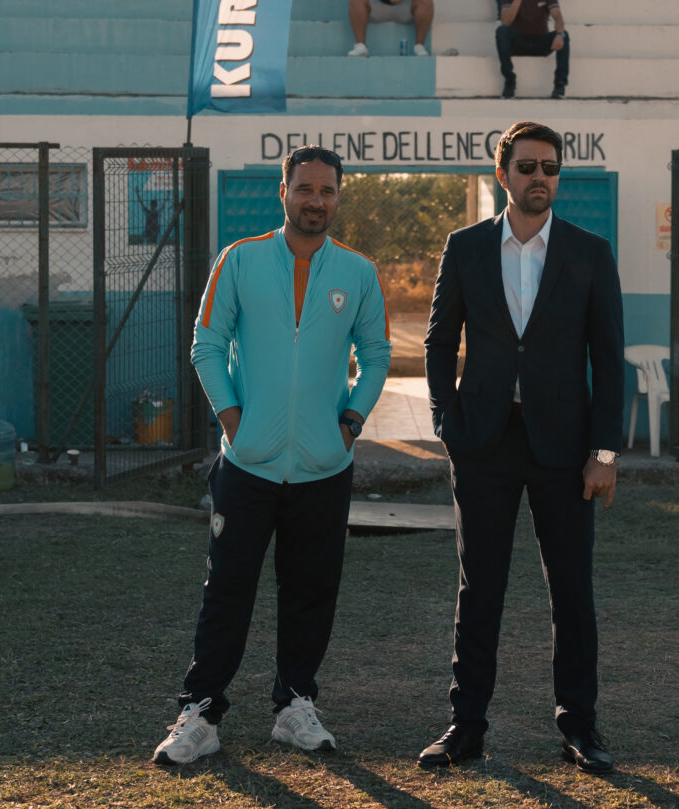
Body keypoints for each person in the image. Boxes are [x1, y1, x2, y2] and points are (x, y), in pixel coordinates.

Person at [153, 145, 391, 765]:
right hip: (248, 465)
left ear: (338, 197)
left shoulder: (358, 272)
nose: (316, 201)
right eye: (304, 188)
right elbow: (207, 344)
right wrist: (235, 421)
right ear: (282, 191)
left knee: (311, 591)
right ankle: (201, 713)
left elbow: (376, 355)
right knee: (227, 590)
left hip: (324, 468)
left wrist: (350, 423)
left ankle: (295, 706)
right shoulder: (240, 259)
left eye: (327, 191)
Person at [419, 121, 623, 773]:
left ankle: (580, 728)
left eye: (551, 168)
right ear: (501, 173)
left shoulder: (590, 251)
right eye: (528, 166)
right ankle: (465, 727)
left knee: (572, 592)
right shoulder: (466, 247)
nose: (541, 177)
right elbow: (438, 341)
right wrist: (446, 421)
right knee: (479, 588)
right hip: (483, 442)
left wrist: (605, 452)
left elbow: (608, 359)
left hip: (565, 448)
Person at [496, 0, 569, 98]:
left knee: (564, 35)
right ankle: (509, 80)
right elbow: (505, 22)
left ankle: (560, 85)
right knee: (501, 31)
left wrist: (559, 34)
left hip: (540, 42)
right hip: (519, 43)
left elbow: (558, 17)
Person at [347, 0, 434, 57]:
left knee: (425, 1)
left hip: (406, 7)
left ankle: (419, 46)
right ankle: (361, 46)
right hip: (377, 6)